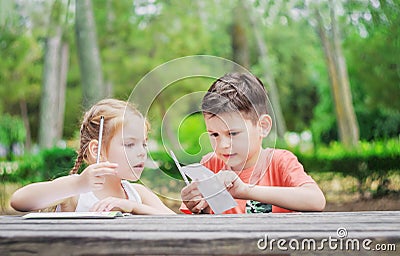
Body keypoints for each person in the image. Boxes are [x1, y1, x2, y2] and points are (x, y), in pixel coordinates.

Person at [180, 72, 326, 214]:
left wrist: (245, 190)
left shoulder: (279, 162)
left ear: (262, 126)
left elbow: (316, 200)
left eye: (233, 133)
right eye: (214, 134)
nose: (223, 144)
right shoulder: (210, 165)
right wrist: (196, 205)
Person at [11, 99, 175, 215]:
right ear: (97, 150)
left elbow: (174, 222)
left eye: (144, 144)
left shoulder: (136, 194)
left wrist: (132, 207)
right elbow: (19, 201)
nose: (142, 152)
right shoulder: (77, 192)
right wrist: (77, 184)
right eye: (130, 144)